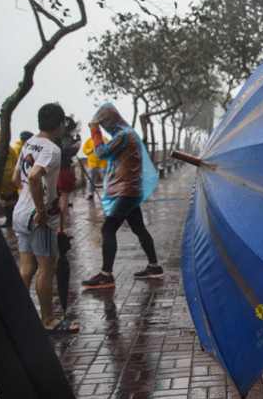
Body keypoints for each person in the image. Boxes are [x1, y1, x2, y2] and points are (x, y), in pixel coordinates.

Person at [11, 103, 79, 333]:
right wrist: (40, 209)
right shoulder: (51, 149)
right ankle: (48, 320)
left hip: (20, 212)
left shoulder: (28, 144)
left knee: (26, 267)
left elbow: (15, 178)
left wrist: (27, 200)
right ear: (60, 125)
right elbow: (33, 176)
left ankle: (19, 315)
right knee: (46, 268)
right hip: (38, 218)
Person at [81, 103, 162, 289]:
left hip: (126, 191)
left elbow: (101, 152)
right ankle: (154, 266)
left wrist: (94, 131)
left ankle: (106, 275)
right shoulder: (127, 133)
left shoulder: (124, 135)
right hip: (131, 190)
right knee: (139, 228)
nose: (104, 127)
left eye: (104, 124)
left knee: (108, 229)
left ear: (111, 120)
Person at [81, 132, 108, 200]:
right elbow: (84, 150)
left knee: (106, 178)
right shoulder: (89, 140)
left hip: (103, 163)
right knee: (90, 179)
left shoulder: (104, 139)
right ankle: (90, 193)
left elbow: (109, 148)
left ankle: (107, 193)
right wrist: (91, 150)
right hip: (92, 164)